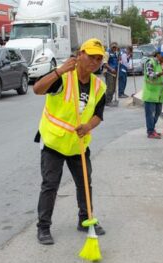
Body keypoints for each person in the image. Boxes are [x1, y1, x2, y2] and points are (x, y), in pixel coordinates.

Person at [33, 38, 107, 245]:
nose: (95, 61)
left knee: (85, 184)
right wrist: (59, 71)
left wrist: (88, 126)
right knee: (50, 185)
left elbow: (99, 115)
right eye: (91, 56)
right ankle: (43, 227)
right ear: (80, 55)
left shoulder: (99, 86)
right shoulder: (64, 77)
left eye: (99, 58)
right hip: (54, 143)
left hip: (78, 144)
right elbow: (37, 89)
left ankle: (85, 220)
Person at [142, 45, 163, 139]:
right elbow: (150, 75)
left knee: (157, 113)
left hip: (160, 94)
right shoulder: (150, 62)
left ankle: (152, 129)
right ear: (158, 54)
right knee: (150, 114)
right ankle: (150, 132)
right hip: (150, 94)